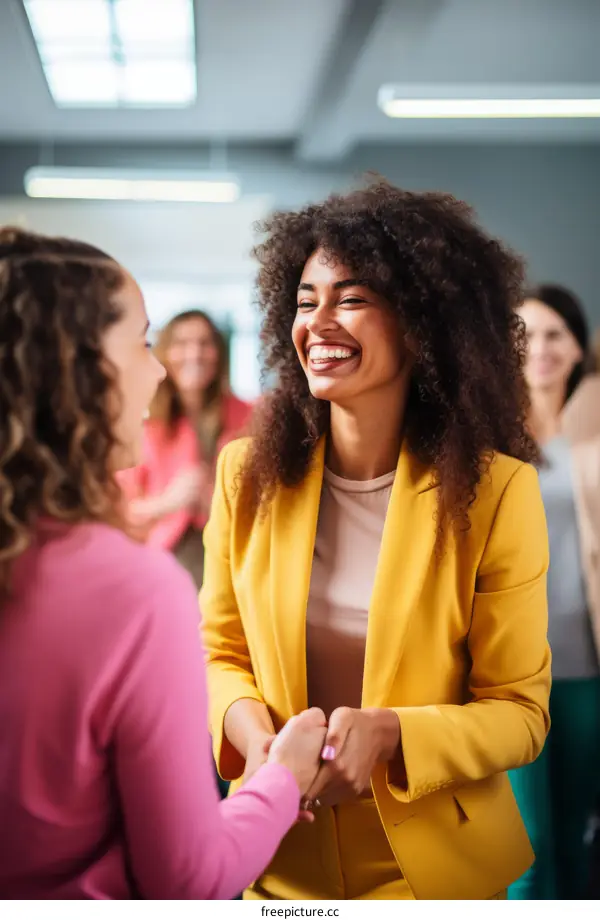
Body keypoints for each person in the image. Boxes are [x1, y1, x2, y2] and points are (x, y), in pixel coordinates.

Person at [200, 179, 552, 901]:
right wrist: (253, 738)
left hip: (429, 878)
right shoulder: (248, 474)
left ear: (423, 322)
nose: (319, 322)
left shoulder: (497, 493)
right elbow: (218, 652)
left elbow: (519, 711)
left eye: (351, 298)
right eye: (306, 301)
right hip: (274, 861)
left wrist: (395, 733)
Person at [0, 227, 328, 899]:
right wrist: (284, 778)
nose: (159, 370)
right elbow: (187, 880)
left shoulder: (248, 421)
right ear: (79, 368)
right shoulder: (137, 595)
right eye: (144, 343)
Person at [509, 284, 600, 900]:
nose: (539, 349)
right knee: (528, 848)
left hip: (586, 665)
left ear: (577, 347)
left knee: (577, 839)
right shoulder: (488, 434)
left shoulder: (594, 434)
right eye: (526, 335)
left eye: (553, 335)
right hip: (511, 674)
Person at [120, 310, 252, 588]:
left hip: (236, 566)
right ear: (165, 352)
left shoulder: (250, 418)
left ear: (219, 353)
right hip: (164, 567)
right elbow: (118, 513)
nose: (195, 353)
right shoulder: (142, 426)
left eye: (205, 343)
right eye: (181, 343)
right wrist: (168, 502)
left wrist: (220, 502)